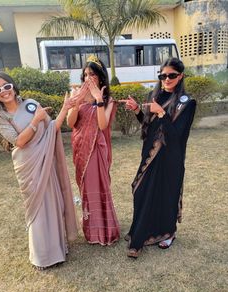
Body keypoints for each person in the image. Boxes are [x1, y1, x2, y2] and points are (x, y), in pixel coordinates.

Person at [0, 72, 78, 269]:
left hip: (45, 160)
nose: (4, 92)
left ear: (13, 86)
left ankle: (57, 250)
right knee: (37, 209)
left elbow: (53, 128)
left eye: (6, 86)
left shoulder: (31, 104)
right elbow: (19, 142)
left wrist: (65, 107)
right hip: (27, 166)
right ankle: (42, 256)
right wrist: (35, 120)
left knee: (52, 202)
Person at [120, 58, 196, 258]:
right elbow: (148, 125)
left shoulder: (186, 103)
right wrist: (138, 110)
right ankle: (141, 232)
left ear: (180, 76)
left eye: (172, 75)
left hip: (171, 157)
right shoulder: (154, 96)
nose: (167, 79)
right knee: (142, 191)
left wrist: (162, 113)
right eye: (163, 75)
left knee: (167, 194)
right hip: (151, 155)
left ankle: (168, 233)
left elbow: (177, 136)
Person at [67, 55, 120, 245]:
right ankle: (91, 230)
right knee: (87, 190)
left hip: (97, 150)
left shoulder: (108, 99)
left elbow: (102, 124)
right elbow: (70, 123)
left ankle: (105, 231)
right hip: (80, 148)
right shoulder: (78, 96)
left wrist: (98, 100)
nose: (88, 78)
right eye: (85, 74)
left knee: (100, 186)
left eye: (93, 75)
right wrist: (76, 102)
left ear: (100, 77)